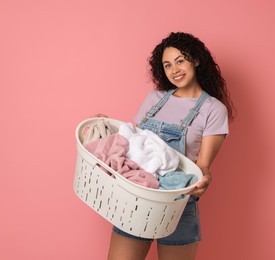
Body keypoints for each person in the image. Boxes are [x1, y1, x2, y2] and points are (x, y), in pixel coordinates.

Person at [104, 32, 235, 260]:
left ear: (195, 60)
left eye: (180, 61)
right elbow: (134, 143)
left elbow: (202, 165)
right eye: (167, 65)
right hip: (137, 199)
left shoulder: (213, 110)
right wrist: (107, 128)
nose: (174, 70)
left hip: (178, 205)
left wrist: (204, 179)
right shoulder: (156, 99)